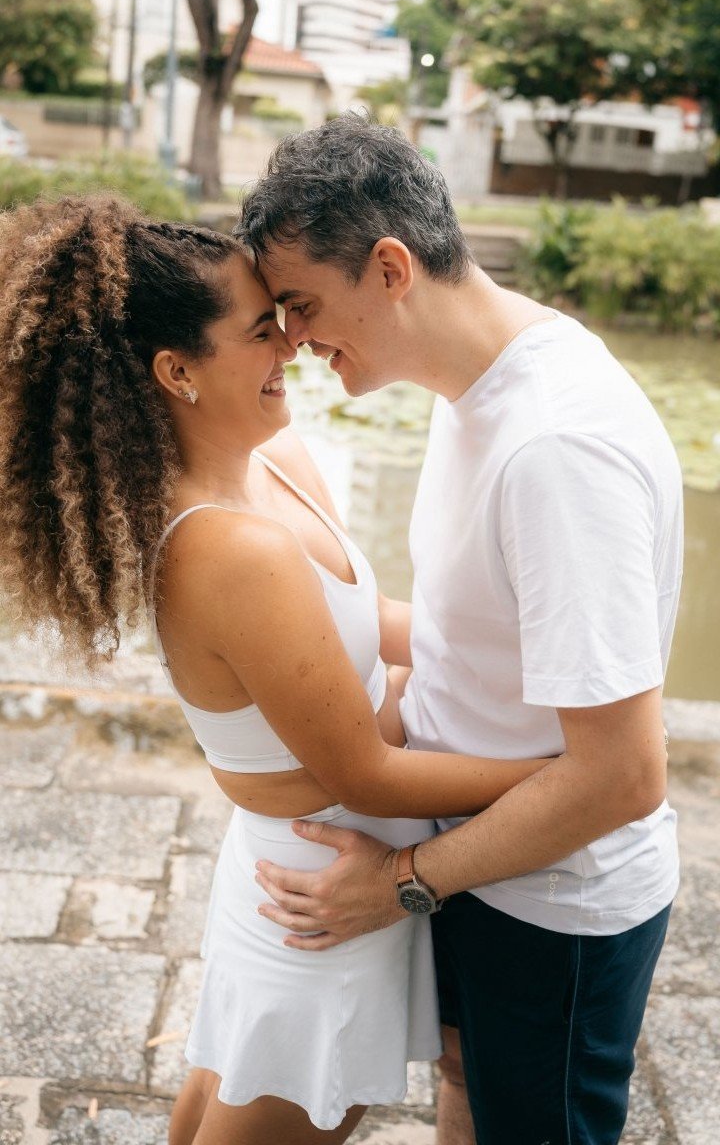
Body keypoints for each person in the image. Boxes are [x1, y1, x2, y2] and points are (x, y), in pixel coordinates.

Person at [0, 194, 551, 1145]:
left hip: (312, 869)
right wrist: (563, 778)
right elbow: (366, 775)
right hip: (322, 895)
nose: (293, 342)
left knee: (216, 1099)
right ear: (177, 371)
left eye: (284, 316)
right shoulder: (224, 549)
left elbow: (371, 622)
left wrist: (540, 651)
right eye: (261, 329)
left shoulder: (274, 454)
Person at [240, 113, 683, 1145]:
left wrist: (399, 887)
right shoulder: (474, 383)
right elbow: (471, 634)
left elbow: (624, 774)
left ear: (391, 268)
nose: (293, 340)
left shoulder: (556, 448)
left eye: (303, 305)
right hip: (479, 861)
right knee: (462, 1087)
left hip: (556, 903)